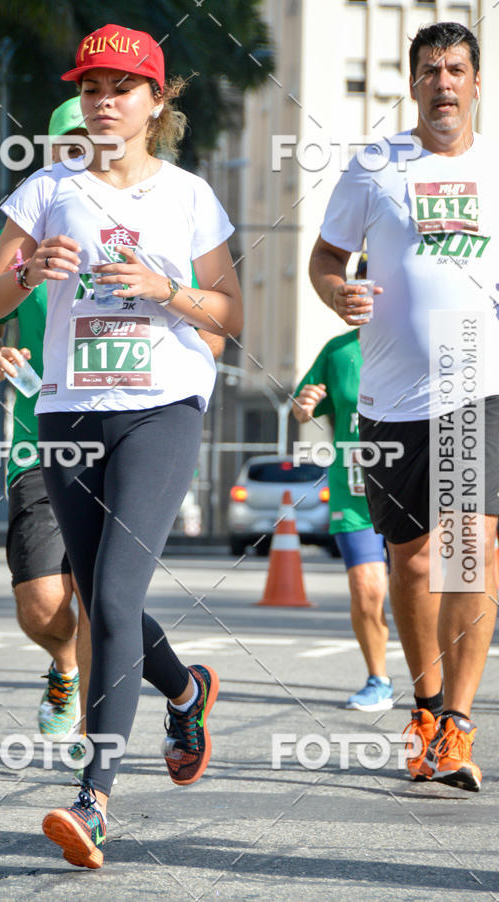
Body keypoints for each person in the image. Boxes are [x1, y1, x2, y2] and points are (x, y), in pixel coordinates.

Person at [0, 23, 242, 868]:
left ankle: (93, 799)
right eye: (91, 88)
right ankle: (186, 687)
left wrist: (169, 289)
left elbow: (231, 315)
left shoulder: (190, 195)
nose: (104, 102)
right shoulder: (47, 189)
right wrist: (25, 273)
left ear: (156, 104)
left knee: (115, 598)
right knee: (98, 600)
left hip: (160, 408)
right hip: (69, 413)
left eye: (122, 88)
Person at [309, 22, 499, 792]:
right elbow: (324, 259)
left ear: (477, 82)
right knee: (413, 561)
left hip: (477, 386)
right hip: (390, 397)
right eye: (430, 71)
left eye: (456, 69)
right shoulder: (375, 165)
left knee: (473, 550)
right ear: (413, 82)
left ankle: (456, 721)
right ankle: (422, 708)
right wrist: (337, 294)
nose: (443, 83)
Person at [0, 98, 91, 743]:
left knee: (105, 598)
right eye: (66, 142)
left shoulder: (150, 218)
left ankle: (102, 752)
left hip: (125, 435)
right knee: (42, 603)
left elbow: (203, 319)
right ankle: (64, 665)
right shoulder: (26, 231)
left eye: (91, 139)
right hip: (38, 439)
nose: (81, 150)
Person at [293, 256, 392, 712]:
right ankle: (379, 679)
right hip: (355, 491)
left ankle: (436, 685)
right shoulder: (338, 351)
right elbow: (300, 405)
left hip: (420, 487)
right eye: (364, 284)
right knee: (367, 589)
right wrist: (305, 403)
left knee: (427, 588)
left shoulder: (429, 348)